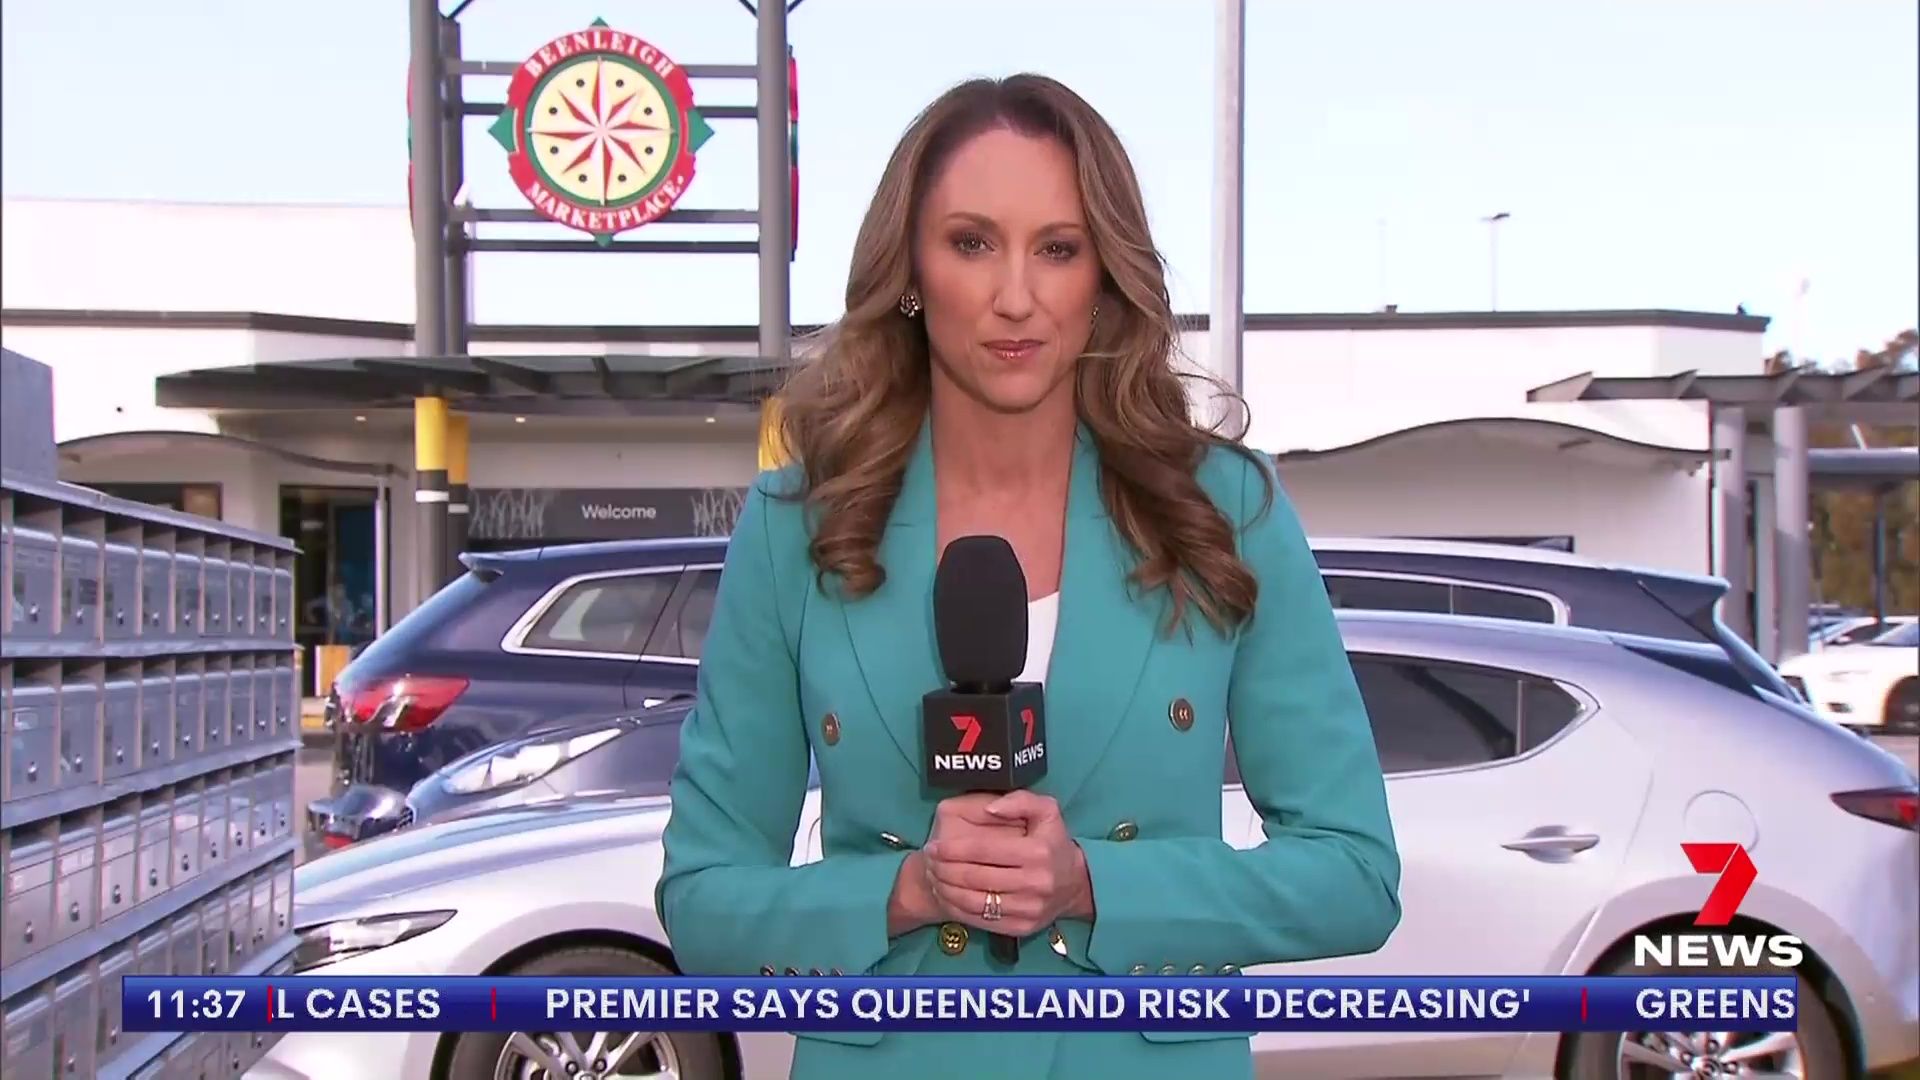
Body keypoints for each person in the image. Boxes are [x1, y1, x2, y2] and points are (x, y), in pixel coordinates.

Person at [656, 73, 1401, 1080]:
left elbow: (1354, 875)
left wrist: (1095, 885)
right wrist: (906, 892)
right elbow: (703, 903)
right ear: (910, 271)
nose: (1016, 296)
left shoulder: (1225, 508)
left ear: (1104, 277)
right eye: (972, 244)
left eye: (1058, 248)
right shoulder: (799, 525)